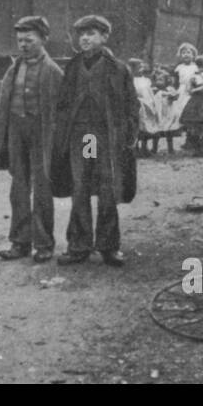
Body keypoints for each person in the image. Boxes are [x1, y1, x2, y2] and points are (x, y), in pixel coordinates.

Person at [50, 15, 138, 267]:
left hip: (106, 137)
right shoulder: (73, 67)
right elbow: (63, 104)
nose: (85, 38)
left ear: (104, 37)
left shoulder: (118, 68)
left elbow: (132, 106)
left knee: (108, 189)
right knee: (80, 188)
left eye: (91, 33)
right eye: (82, 34)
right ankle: (79, 246)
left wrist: (127, 137)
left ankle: (109, 247)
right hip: (82, 137)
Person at [0, 16, 63, 263]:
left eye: (29, 40)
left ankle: (44, 244)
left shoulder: (52, 71)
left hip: (42, 133)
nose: (23, 44)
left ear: (43, 39)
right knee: (18, 187)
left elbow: (60, 112)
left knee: (42, 188)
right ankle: (19, 242)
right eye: (20, 40)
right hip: (17, 132)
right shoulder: (14, 68)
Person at [128, 58, 162, 158]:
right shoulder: (130, 80)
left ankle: (144, 147)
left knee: (147, 127)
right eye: (139, 66)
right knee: (137, 127)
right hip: (137, 105)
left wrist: (153, 104)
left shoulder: (146, 80)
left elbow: (149, 93)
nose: (141, 69)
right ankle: (136, 148)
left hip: (148, 105)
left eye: (142, 66)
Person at [171, 42, 200, 150]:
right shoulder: (179, 68)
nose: (186, 55)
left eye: (188, 52)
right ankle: (186, 138)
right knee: (181, 114)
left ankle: (192, 139)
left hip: (192, 92)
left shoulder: (196, 67)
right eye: (183, 53)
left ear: (193, 55)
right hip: (182, 92)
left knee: (192, 115)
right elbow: (175, 82)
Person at [150, 68, 181, 156]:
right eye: (157, 80)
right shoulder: (154, 90)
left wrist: (171, 95)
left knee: (169, 131)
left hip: (168, 113)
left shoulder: (169, 89)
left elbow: (175, 97)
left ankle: (170, 149)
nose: (158, 82)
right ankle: (154, 148)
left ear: (167, 80)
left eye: (161, 80)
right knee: (156, 131)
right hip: (158, 113)